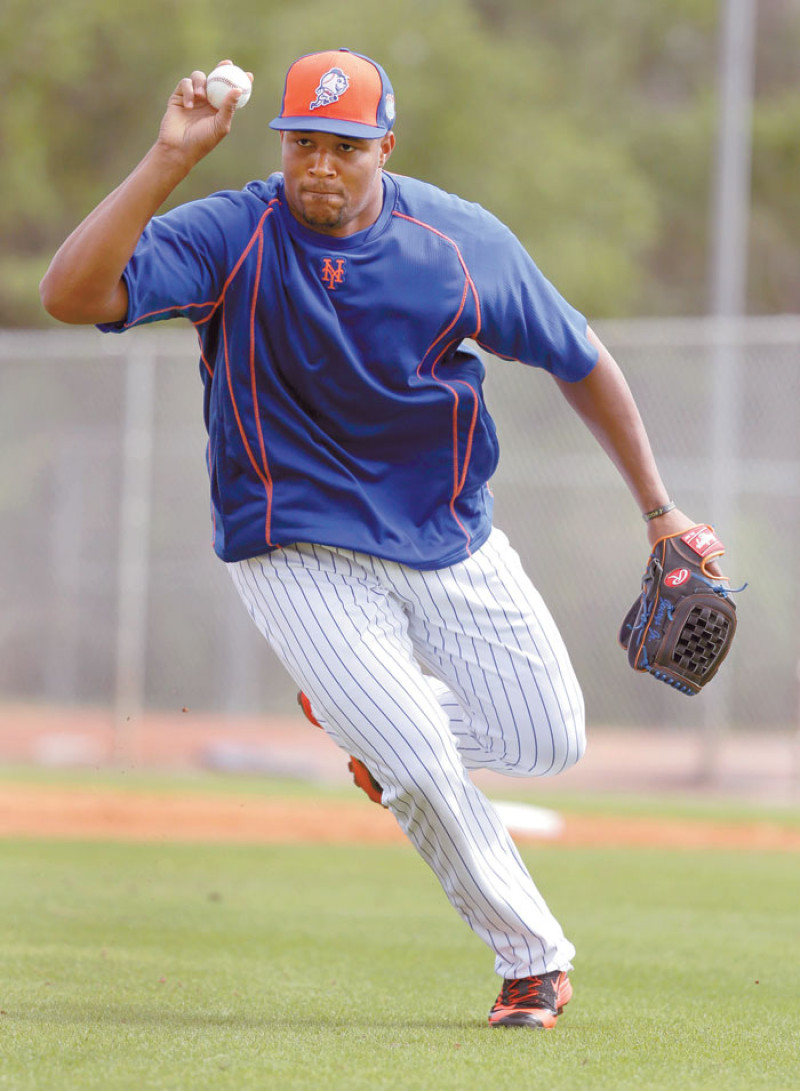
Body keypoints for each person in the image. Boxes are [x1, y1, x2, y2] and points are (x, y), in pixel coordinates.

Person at [40, 48, 701, 1029]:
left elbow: (578, 355)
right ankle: (530, 959)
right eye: (304, 141)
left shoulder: (456, 242)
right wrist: (168, 157)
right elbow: (72, 295)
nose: (320, 164)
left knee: (547, 738)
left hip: (447, 533)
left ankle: (370, 723)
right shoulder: (236, 231)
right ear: (281, 145)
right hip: (291, 542)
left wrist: (660, 510)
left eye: (344, 147)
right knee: (422, 759)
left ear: (382, 147)